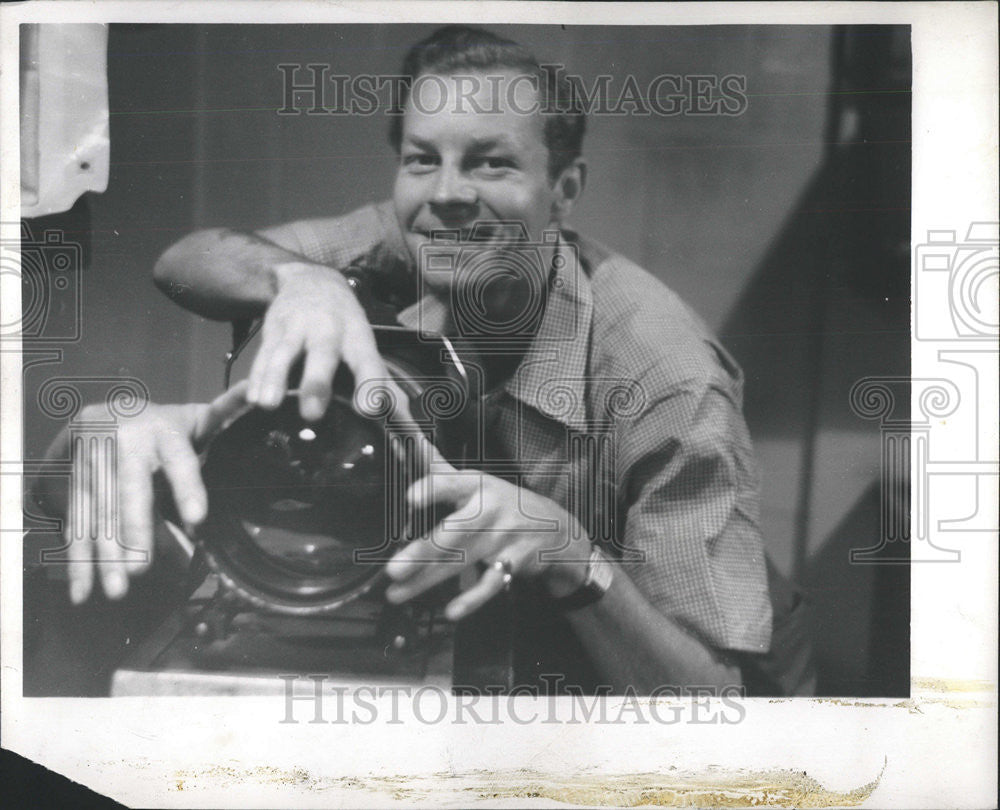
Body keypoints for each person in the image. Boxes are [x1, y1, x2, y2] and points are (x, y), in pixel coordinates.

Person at [52, 26, 814, 695]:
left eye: (491, 164)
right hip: (501, 632)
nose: (448, 194)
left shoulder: (664, 380)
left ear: (565, 191)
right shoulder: (417, 229)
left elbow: (711, 701)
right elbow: (186, 261)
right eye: (422, 159)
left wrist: (571, 553)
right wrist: (300, 278)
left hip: (671, 656)